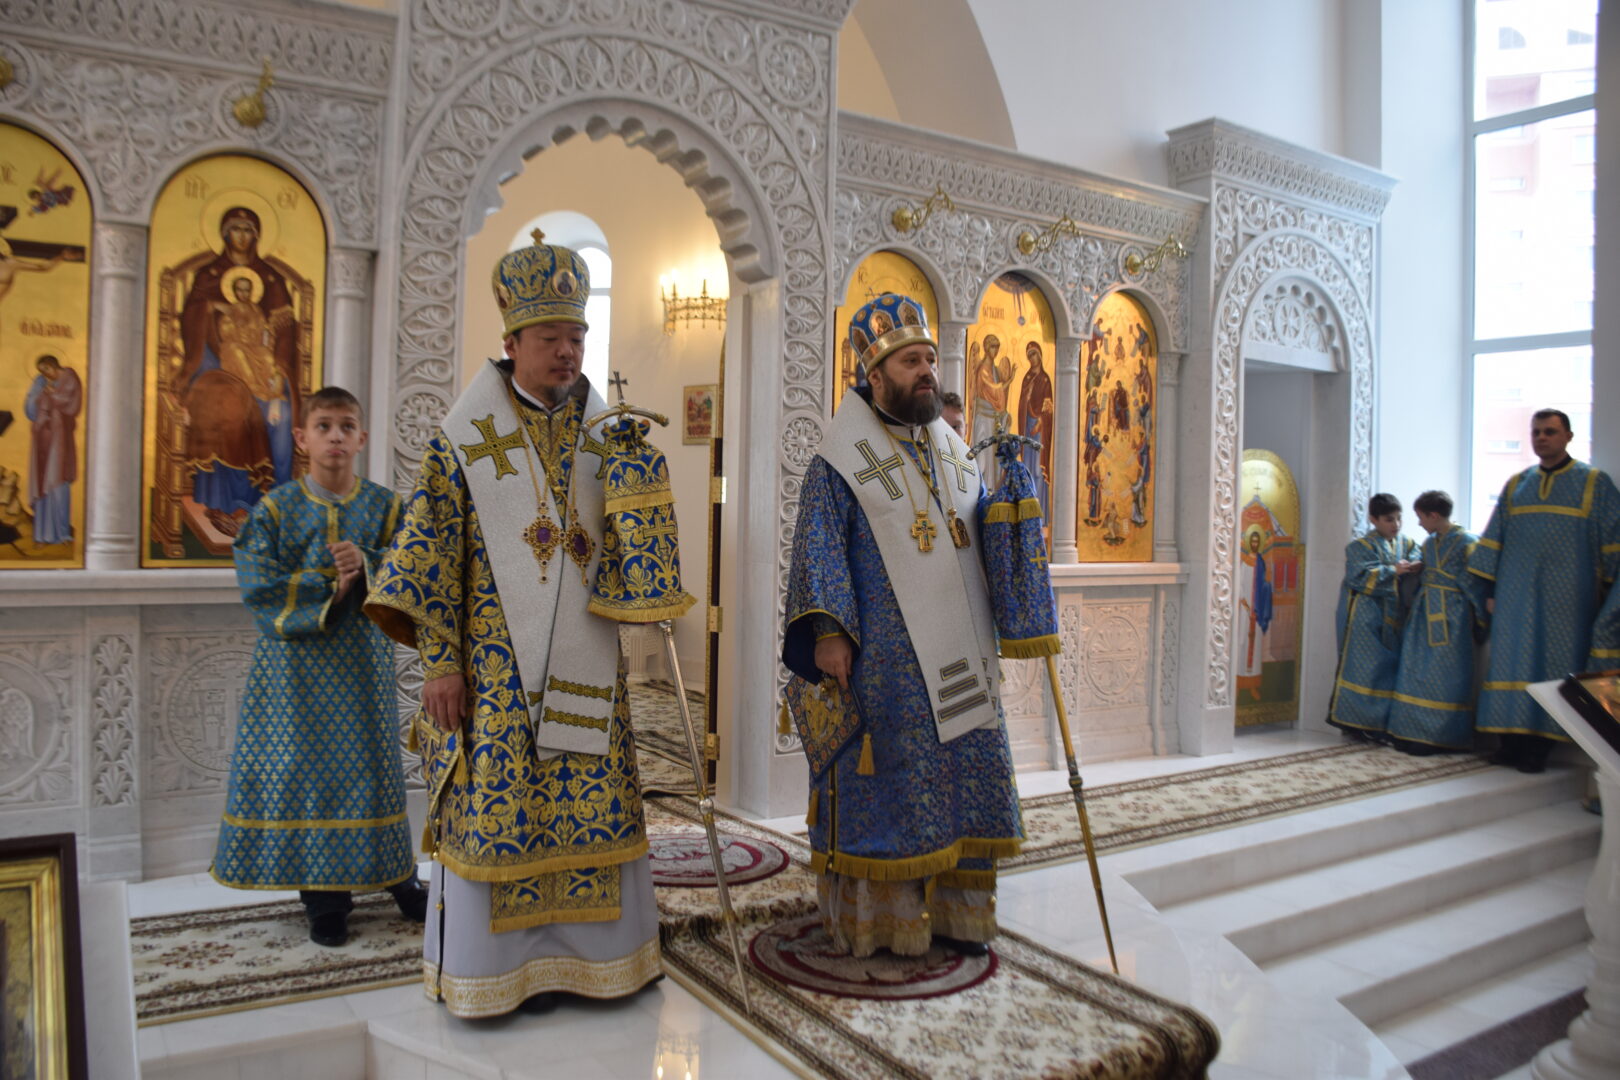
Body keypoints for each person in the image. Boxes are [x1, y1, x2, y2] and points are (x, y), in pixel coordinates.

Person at [365, 233, 661, 1017]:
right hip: (493, 671)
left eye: (577, 338)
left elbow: (640, 558)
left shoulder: (608, 431)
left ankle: (597, 962)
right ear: (512, 343)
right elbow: (430, 558)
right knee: (502, 805)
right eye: (551, 339)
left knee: (590, 795)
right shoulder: (464, 439)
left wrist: (644, 488)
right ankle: (496, 972)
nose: (568, 354)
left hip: (589, 661)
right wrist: (440, 663)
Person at [783, 292, 1023, 959]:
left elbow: (975, 535)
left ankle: (958, 916)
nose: (927, 372)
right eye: (911, 361)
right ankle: (883, 923)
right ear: (874, 373)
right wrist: (830, 632)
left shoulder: (948, 448)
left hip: (962, 656)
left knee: (964, 775)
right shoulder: (838, 459)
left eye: (930, 359)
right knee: (895, 786)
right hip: (885, 667)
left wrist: (1012, 518)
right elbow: (819, 547)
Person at [211, 387, 426, 946]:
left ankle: (398, 876)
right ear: (302, 437)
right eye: (323, 426)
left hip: (361, 668)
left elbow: (415, 571)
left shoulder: (386, 507)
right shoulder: (276, 509)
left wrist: (372, 563)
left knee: (374, 769)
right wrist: (330, 584)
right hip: (295, 675)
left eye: (345, 425)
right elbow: (258, 585)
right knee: (310, 776)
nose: (335, 436)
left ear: (361, 437)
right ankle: (324, 899)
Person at [1469, 410, 1620, 773]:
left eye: (1550, 431)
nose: (1541, 438)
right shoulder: (1517, 484)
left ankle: (1539, 750)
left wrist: (1606, 595)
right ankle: (1509, 744)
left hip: (1568, 602)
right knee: (1509, 666)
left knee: (1554, 668)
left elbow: (1613, 543)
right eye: (1535, 432)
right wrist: (1488, 588)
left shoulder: (1593, 483)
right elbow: (1493, 542)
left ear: (1568, 435)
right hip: (1514, 599)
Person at [177, 207, 300, 535]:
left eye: (248, 229)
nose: (242, 236)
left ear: (257, 235)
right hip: (220, 370)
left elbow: (285, 336)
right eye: (236, 229)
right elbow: (195, 327)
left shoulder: (272, 280)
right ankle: (232, 506)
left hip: (265, 372)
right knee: (229, 415)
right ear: (224, 233)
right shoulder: (208, 275)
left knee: (283, 417)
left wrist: (277, 377)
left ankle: (276, 507)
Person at [1385, 491, 1487, 755]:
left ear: (1434, 515)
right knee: (1415, 669)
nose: (1418, 523)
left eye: (1420, 517)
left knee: (1446, 674)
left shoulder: (1467, 542)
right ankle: (1411, 732)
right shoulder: (1429, 543)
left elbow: (1475, 581)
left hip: (1452, 615)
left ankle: (1441, 736)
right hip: (1423, 614)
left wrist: (1480, 616)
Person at [1328, 493, 1422, 740]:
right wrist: (1394, 571)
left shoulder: (1407, 543)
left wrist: (1416, 565)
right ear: (1373, 519)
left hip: (1395, 617)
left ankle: (1381, 725)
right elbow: (1358, 577)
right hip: (1366, 619)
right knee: (1366, 670)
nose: (1396, 525)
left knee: (1388, 670)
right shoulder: (1359, 547)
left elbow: (1418, 558)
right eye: (1389, 519)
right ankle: (1356, 724)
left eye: (1399, 518)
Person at [23, 355, 80, 546]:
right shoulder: (41, 381)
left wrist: (51, 394)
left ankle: (62, 534)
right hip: (42, 439)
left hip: (60, 438)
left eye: (45, 370)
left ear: (53, 366)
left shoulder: (69, 377)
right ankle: (42, 536)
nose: (43, 374)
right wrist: (39, 394)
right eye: (41, 371)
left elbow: (72, 406)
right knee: (42, 483)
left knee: (58, 482)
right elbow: (30, 409)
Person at [968, 332, 1012, 487]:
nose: (996, 351)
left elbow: (998, 399)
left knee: (994, 459)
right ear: (986, 348)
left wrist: (1004, 415)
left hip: (993, 419)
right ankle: (983, 491)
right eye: (993, 347)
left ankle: (993, 490)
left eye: (998, 347)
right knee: (984, 458)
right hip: (983, 419)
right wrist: (1010, 381)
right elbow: (993, 390)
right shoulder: (982, 370)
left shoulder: (995, 369)